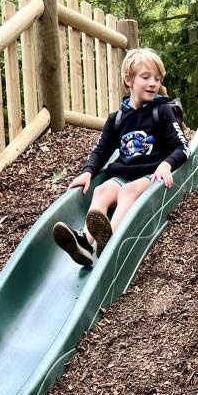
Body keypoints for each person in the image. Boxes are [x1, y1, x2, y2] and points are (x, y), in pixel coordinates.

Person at [53, 48, 190, 267]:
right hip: (124, 174)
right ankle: (85, 243)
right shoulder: (116, 119)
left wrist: (166, 165)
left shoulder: (163, 111)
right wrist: (87, 172)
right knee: (102, 190)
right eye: (145, 77)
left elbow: (183, 147)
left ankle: (110, 241)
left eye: (157, 78)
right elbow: (101, 150)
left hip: (150, 174)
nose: (153, 83)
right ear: (128, 79)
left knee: (127, 191)